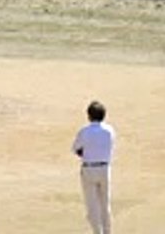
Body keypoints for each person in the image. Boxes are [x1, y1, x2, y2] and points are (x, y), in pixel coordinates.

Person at [72, 100, 116, 234]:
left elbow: (75, 149)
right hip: (105, 168)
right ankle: (108, 232)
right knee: (105, 204)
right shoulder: (109, 130)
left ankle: (97, 232)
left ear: (89, 116)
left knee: (92, 206)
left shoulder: (84, 131)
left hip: (89, 169)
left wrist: (86, 153)